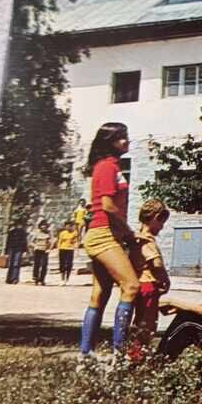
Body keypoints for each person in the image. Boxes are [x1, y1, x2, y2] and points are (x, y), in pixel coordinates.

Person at [78, 121, 139, 358]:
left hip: (105, 233)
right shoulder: (106, 167)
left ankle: (85, 353)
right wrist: (129, 232)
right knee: (131, 286)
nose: (127, 141)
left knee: (100, 293)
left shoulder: (113, 166)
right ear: (110, 142)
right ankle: (119, 353)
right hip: (103, 233)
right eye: (122, 137)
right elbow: (107, 206)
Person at [127, 199, 171, 360]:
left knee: (138, 321)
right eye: (161, 222)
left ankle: (134, 352)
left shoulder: (135, 238)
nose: (162, 227)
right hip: (149, 284)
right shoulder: (147, 240)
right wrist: (166, 280)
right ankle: (138, 354)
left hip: (138, 283)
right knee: (147, 323)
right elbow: (156, 264)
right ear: (155, 217)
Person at [5, 220, 28, 284]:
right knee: (10, 264)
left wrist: (25, 251)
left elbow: (25, 242)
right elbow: (8, 243)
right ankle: (9, 279)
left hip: (19, 249)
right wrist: (6, 252)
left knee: (16, 264)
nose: (19, 226)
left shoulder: (23, 233)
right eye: (18, 225)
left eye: (20, 225)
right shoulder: (11, 232)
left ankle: (15, 278)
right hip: (12, 249)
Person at [57, 218, 79, 284]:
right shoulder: (62, 233)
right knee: (62, 264)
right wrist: (58, 249)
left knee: (69, 264)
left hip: (70, 249)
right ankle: (62, 279)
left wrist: (76, 248)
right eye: (66, 226)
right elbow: (59, 241)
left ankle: (67, 279)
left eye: (69, 226)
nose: (68, 227)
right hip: (62, 249)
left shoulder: (74, 233)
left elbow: (76, 241)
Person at [30, 219, 52, 285]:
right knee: (37, 264)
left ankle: (42, 279)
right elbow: (31, 242)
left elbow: (51, 242)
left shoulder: (48, 233)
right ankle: (36, 278)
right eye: (42, 225)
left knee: (44, 265)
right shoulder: (36, 233)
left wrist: (49, 249)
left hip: (45, 251)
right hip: (38, 250)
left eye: (45, 225)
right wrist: (35, 246)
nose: (43, 227)